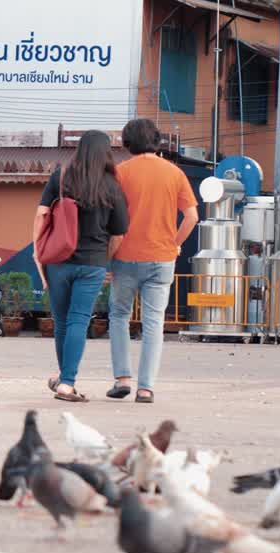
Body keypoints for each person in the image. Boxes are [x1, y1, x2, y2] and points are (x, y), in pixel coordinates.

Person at [107, 118, 198, 404]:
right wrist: (174, 244)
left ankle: (122, 379)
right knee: (154, 323)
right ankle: (145, 388)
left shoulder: (119, 173)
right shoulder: (174, 173)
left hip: (124, 257)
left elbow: (109, 218)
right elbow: (192, 216)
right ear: (157, 142)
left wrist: (106, 257)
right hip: (161, 258)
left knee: (119, 316)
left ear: (127, 143)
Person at [34, 130, 129, 402]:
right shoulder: (112, 185)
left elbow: (41, 214)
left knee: (62, 321)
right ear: (106, 153)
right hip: (92, 264)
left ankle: (65, 379)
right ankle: (66, 382)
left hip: (58, 260)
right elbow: (119, 233)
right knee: (78, 320)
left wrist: (37, 250)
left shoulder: (61, 177)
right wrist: (104, 259)